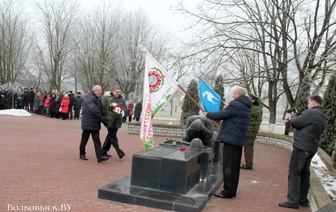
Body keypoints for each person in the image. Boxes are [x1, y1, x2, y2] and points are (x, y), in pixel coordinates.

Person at [279, 95, 326, 209]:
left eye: (309, 103)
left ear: (313, 103)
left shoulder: (311, 113)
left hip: (302, 147)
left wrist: (294, 115)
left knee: (294, 173)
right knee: (304, 173)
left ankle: (292, 201)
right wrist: (299, 115)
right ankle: (302, 199)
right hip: (311, 148)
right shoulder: (321, 115)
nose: (308, 105)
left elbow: (295, 123)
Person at [204, 86, 251, 198]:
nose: (232, 95)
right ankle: (232, 190)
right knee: (234, 167)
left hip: (231, 139)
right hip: (237, 139)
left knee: (228, 166)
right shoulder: (246, 106)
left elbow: (221, 115)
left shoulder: (235, 105)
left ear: (238, 94)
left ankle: (227, 191)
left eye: (234, 93)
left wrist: (208, 114)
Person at [79, 85, 109, 163]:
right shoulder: (90, 98)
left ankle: (99, 157)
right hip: (88, 123)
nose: (101, 92)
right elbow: (95, 110)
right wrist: (103, 120)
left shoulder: (96, 98)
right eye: (99, 91)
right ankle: (82, 153)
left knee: (97, 140)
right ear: (95, 91)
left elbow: (100, 109)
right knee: (84, 139)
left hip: (95, 123)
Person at [102, 87, 127, 159]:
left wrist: (121, 111)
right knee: (113, 137)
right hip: (110, 121)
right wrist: (107, 115)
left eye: (119, 92)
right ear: (112, 91)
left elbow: (124, 107)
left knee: (110, 137)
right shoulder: (107, 99)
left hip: (118, 121)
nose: (118, 93)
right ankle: (119, 151)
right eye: (117, 92)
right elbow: (103, 109)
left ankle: (103, 151)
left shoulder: (121, 99)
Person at [241, 93, 263, 170]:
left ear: (253, 100)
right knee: (249, 147)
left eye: (250, 99)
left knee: (248, 148)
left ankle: (249, 164)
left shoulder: (253, 108)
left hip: (249, 131)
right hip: (252, 131)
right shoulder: (258, 107)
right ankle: (249, 163)